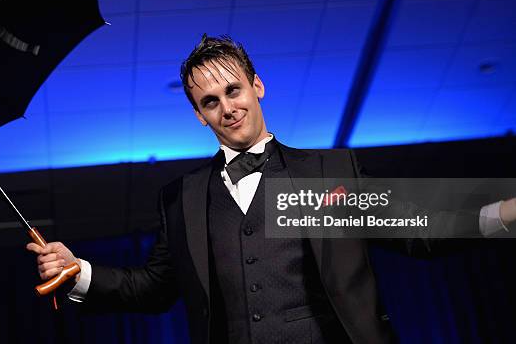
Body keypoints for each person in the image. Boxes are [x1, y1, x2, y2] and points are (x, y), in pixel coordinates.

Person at [27, 35, 516, 343]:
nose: (227, 108)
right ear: (199, 115)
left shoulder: (328, 173)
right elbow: (154, 289)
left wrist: (504, 213)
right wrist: (80, 271)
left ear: (257, 86)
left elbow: (418, 230)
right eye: (211, 101)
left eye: (233, 90)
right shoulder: (183, 197)